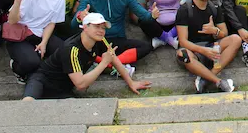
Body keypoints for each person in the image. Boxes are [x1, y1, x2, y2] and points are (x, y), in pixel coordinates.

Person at [21, 12, 151, 100]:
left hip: (63, 88)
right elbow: (81, 84)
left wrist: (131, 82)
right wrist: (104, 63)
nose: (101, 30)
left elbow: (114, 59)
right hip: (42, 81)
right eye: (96, 27)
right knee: (27, 104)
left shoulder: (99, 40)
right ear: (85, 27)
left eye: (103, 28)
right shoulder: (71, 49)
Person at [73, 0, 162, 70]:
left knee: (146, 47)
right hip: (97, 41)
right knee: (80, 49)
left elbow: (144, 16)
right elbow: (73, 25)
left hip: (118, 40)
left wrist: (152, 15)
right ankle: (118, 66)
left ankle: (109, 65)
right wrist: (79, 17)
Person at [5, 0, 66, 81]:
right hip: (20, 35)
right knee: (31, 63)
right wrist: (18, 1)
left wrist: (44, 42)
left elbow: (51, 22)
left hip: (40, 33)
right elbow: (11, 20)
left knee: (63, 52)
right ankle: (16, 67)